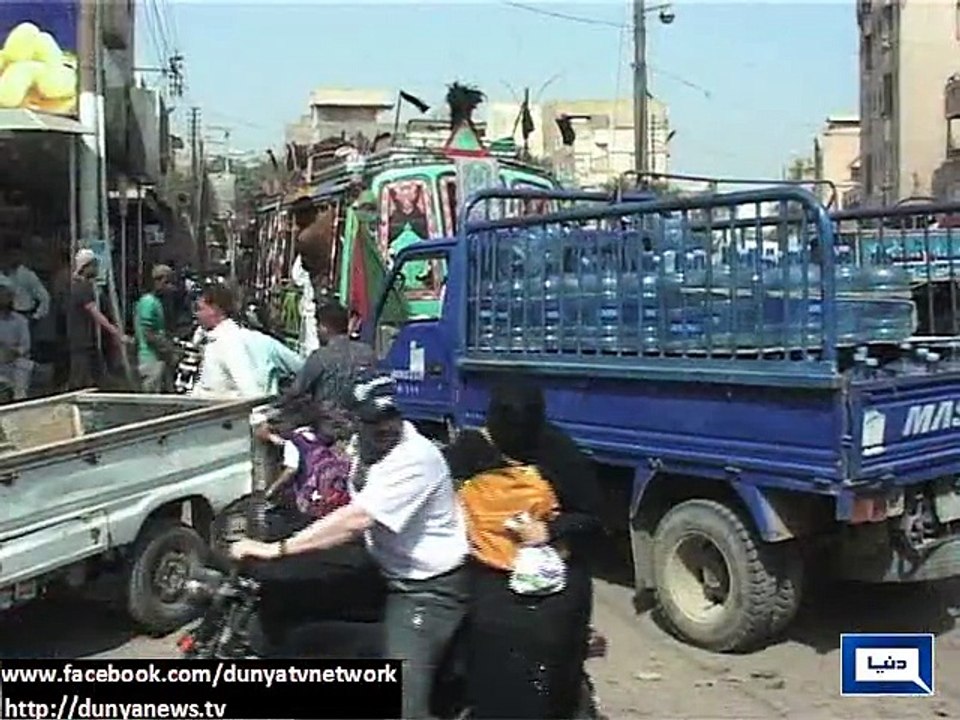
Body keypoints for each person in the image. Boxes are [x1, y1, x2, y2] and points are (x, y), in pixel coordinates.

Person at [231, 373, 469, 719]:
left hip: (427, 589)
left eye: (391, 416)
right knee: (296, 614)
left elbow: (356, 519)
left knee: (405, 701)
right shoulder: (362, 449)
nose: (385, 427)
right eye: (374, 420)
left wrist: (277, 549)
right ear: (356, 419)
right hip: (380, 562)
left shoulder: (415, 458)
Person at [443, 381, 603, 719]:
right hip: (489, 578)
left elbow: (592, 517)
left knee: (547, 665)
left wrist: (548, 529)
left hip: (552, 583)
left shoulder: (557, 453)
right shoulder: (471, 448)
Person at [278, 302, 376, 407]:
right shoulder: (367, 352)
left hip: (328, 419)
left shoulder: (320, 357)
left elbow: (296, 392)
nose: (316, 331)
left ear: (324, 328)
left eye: (317, 326)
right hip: (361, 417)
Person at [190, 284, 263, 398]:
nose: (196, 314)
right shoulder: (211, 338)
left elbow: (248, 386)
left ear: (215, 309)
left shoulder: (229, 341)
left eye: (200, 309)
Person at [67, 249, 127, 390]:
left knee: (98, 379)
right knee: (82, 382)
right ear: (85, 267)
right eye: (94, 265)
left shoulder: (84, 287)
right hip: (82, 342)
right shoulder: (82, 288)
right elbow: (95, 313)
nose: (97, 268)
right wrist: (117, 333)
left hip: (89, 342)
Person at [134, 264, 176, 393]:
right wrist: (168, 350)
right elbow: (148, 333)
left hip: (157, 359)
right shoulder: (148, 302)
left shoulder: (156, 302)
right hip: (150, 358)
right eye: (167, 282)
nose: (170, 287)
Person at [0, 238, 51, 324]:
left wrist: (36, 317)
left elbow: (45, 298)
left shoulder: (28, 275)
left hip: (24, 314)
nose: (13, 258)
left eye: (16, 254)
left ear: (21, 255)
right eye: (10, 254)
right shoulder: (1, 275)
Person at [0, 285, 33, 400]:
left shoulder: (20, 320)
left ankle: (20, 399)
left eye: (8, 297)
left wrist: (13, 352)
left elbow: (26, 346)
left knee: (24, 365)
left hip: (15, 361)